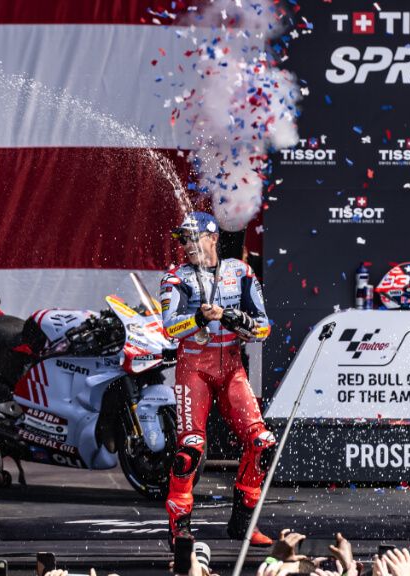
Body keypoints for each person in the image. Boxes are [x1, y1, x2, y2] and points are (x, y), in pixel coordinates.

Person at [160, 211, 275, 546]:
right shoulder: (176, 278)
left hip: (231, 369)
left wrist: (234, 318)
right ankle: (180, 529)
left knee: (262, 443)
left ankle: (243, 524)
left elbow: (263, 327)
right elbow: (170, 328)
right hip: (194, 368)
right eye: (183, 240)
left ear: (212, 237)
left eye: (193, 239)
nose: (188, 246)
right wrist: (198, 317)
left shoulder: (240, 272)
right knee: (189, 451)